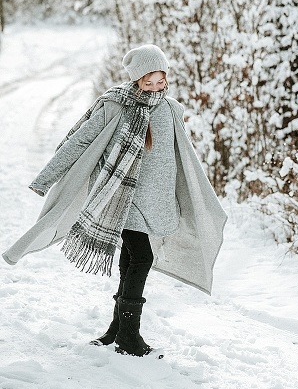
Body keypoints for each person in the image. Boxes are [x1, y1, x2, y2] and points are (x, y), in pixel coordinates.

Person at [3, 44, 227, 357]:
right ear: (136, 81)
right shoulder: (115, 106)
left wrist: (190, 195)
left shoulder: (172, 109)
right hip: (121, 196)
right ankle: (130, 337)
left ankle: (116, 329)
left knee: (131, 257)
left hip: (157, 200)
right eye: (148, 82)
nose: (155, 87)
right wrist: (46, 177)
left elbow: (183, 156)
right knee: (143, 258)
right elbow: (80, 140)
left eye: (160, 81)